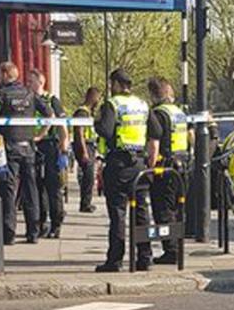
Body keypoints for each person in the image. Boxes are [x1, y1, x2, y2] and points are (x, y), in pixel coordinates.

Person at [94, 68, 156, 273]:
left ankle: (115, 260)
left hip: (119, 164)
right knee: (141, 213)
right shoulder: (142, 104)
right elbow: (157, 131)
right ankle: (145, 257)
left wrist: (97, 122)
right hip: (139, 163)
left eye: (112, 84)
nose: (111, 88)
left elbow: (105, 130)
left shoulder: (113, 104)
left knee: (118, 214)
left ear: (118, 85)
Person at [147, 77, 190, 265]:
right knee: (175, 209)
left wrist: (150, 166)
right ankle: (176, 248)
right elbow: (191, 136)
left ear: (153, 94)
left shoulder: (157, 113)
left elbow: (154, 143)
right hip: (181, 166)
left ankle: (171, 251)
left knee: (163, 211)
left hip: (164, 167)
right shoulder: (178, 112)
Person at [0, 61, 40, 244]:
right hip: (28, 148)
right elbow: (50, 115)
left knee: (9, 190)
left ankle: (9, 233)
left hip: (10, 147)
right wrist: (39, 135)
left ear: (6, 74)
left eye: (1, 74)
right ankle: (33, 232)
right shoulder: (30, 94)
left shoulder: (2, 95)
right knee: (31, 189)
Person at [30, 69, 68, 239]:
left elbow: (61, 124)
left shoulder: (52, 100)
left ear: (40, 82)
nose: (29, 84)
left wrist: (64, 148)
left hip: (50, 146)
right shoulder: (29, 100)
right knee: (37, 186)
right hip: (34, 146)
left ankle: (56, 223)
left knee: (53, 187)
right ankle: (41, 223)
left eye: (31, 81)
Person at [73, 87, 102, 213]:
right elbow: (80, 133)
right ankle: (85, 204)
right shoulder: (82, 112)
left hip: (89, 145)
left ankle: (86, 203)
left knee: (89, 176)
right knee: (88, 176)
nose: (99, 101)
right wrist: (84, 151)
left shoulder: (89, 112)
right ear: (92, 97)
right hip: (84, 145)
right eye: (98, 97)